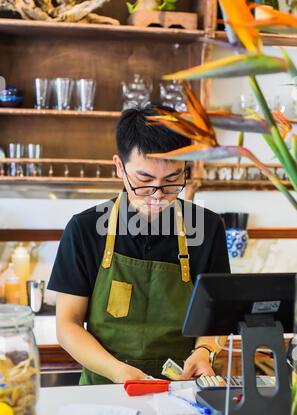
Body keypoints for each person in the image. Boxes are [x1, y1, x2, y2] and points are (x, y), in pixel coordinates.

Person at [48, 106, 230, 385]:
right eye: (144, 182)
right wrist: (117, 371)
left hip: (180, 388)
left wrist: (205, 350)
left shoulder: (207, 228)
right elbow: (67, 325)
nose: (158, 196)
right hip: (106, 387)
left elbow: (215, 316)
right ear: (120, 167)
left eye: (171, 182)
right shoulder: (84, 229)